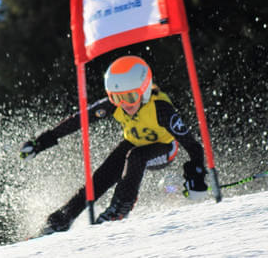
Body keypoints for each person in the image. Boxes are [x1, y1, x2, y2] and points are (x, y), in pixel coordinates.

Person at [20, 56, 208, 233]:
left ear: (145, 90)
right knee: (101, 177)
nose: (125, 104)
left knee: (136, 156)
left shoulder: (161, 110)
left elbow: (192, 146)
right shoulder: (114, 105)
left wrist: (196, 175)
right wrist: (42, 142)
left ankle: (120, 208)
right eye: (117, 98)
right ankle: (61, 220)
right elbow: (80, 120)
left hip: (164, 148)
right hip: (133, 143)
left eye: (131, 97)